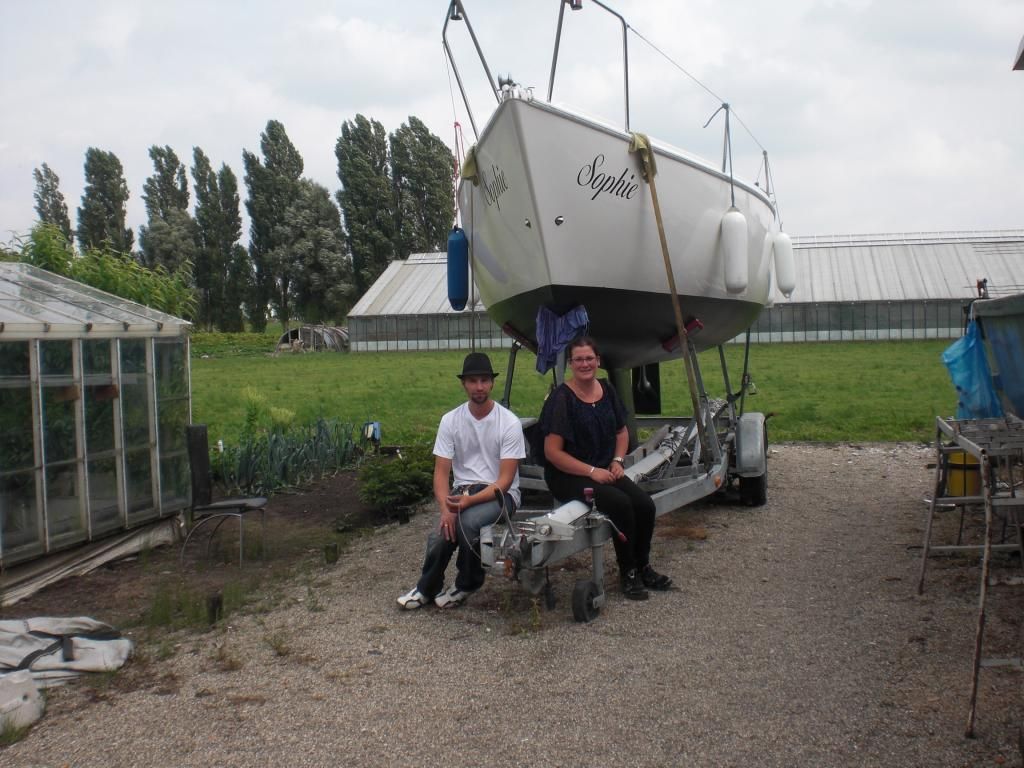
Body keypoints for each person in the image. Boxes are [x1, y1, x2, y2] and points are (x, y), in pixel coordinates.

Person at [540, 336, 672, 600]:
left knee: (645, 505)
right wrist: (591, 472)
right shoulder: (561, 398)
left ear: (598, 361)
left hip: (603, 468)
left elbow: (621, 432)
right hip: (567, 474)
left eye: (589, 358)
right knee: (620, 504)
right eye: (579, 359)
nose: (585, 364)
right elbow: (552, 453)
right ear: (571, 364)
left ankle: (643, 565)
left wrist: (617, 460)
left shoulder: (606, 390)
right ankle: (628, 572)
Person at [398, 352, 526, 610]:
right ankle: (427, 588)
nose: (479, 387)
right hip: (463, 490)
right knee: (441, 533)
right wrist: (445, 508)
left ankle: (467, 583)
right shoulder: (451, 420)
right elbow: (440, 473)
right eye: (473, 381)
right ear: (464, 384)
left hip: (501, 495)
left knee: (468, 523)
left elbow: (504, 481)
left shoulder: (509, 423)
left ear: (492, 383)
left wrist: (468, 503)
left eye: (484, 380)